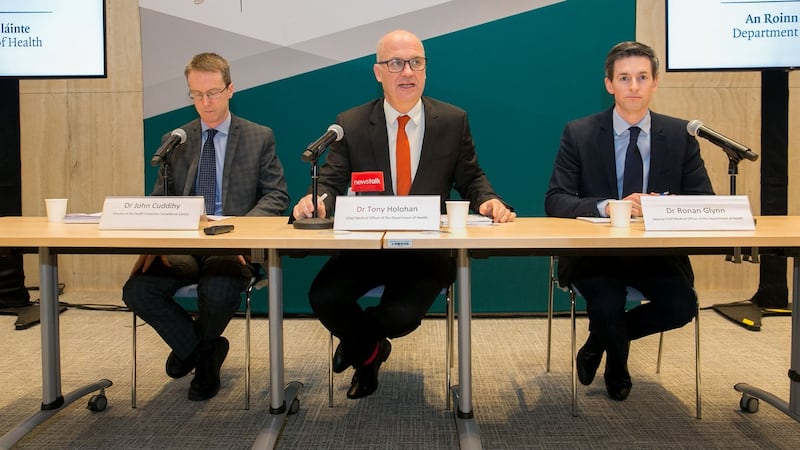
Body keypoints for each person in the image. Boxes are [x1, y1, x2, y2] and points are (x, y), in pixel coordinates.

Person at [291, 29, 515, 400]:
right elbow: (330, 180)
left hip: (425, 252)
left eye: (416, 62)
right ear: (379, 72)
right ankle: (370, 352)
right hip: (367, 247)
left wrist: (489, 200)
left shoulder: (453, 120)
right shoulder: (352, 123)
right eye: (396, 63)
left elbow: (471, 177)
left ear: (425, 69)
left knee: (400, 317)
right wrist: (316, 200)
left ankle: (360, 344)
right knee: (323, 296)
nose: (407, 72)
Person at [544, 41, 714, 401]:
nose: (633, 86)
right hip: (595, 255)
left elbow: (704, 202)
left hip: (656, 255)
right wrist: (609, 207)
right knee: (606, 305)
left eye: (641, 77)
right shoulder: (580, 132)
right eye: (624, 78)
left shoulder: (680, 136)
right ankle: (617, 367)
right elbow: (556, 200)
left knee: (682, 306)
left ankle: (597, 342)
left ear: (655, 83)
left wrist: (662, 206)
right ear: (609, 84)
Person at [123, 52, 289, 401]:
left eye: (212, 92)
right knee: (137, 290)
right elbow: (159, 199)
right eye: (196, 94)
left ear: (230, 89)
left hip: (232, 246)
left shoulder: (259, 137)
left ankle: (195, 354)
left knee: (217, 288)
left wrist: (241, 234)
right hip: (183, 244)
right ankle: (204, 354)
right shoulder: (176, 139)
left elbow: (276, 196)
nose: (205, 102)